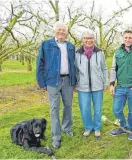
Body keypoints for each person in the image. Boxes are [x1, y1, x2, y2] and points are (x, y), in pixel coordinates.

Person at [36, 21, 76, 149]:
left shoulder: (70, 46)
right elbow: (40, 63)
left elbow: (73, 64)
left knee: (68, 106)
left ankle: (67, 128)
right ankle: (56, 136)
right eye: (59, 30)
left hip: (67, 80)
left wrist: (74, 80)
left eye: (63, 30)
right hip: (53, 81)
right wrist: (42, 82)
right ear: (55, 31)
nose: (61, 32)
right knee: (54, 109)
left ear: (66, 32)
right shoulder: (46, 44)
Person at [109, 30, 132, 140]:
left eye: (130, 38)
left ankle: (131, 130)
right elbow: (113, 69)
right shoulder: (117, 52)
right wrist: (111, 84)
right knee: (116, 110)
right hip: (120, 87)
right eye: (126, 37)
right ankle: (123, 127)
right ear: (123, 39)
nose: (127, 39)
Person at [75, 30, 108, 138]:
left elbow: (104, 68)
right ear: (82, 40)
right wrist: (75, 83)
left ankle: (97, 128)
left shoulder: (100, 53)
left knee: (97, 108)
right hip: (82, 86)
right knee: (85, 108)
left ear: (94, 39)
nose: (88, 40)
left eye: (91, 38)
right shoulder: (77, 53)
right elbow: (75, 70)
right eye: (86, 38)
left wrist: (105, 82)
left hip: (97, 86)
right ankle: (88, 127)